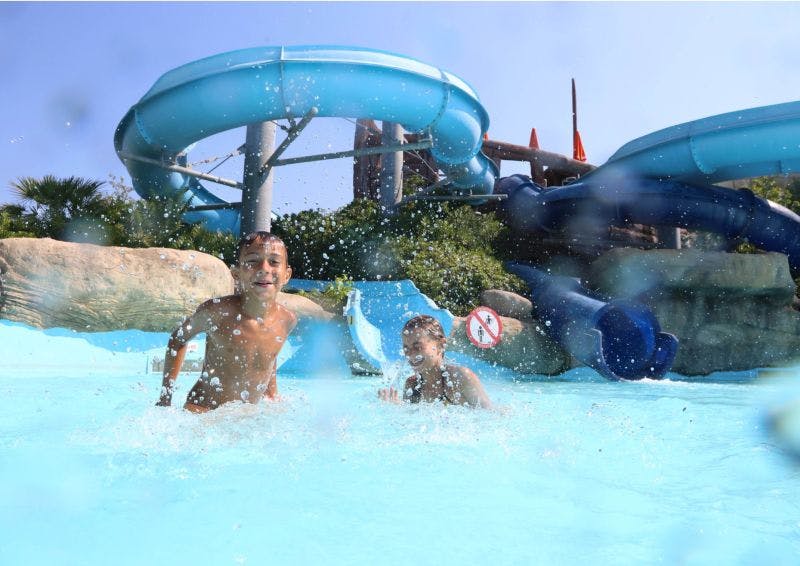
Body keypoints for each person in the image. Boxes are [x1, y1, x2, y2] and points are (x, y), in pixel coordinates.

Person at [156, 231, 297, 412]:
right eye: (253, 261)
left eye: (274, 262)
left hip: (244, 414)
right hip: (203, 409)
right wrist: (165, 397)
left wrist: (272, 394)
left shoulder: (287, 320)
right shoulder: (217, 312)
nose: (264, 268)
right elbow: (178, 338)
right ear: (236, 273)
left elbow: (269, 356)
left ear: (287, 274)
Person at [378, 315, 492, 409]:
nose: (411, 354)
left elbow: (489, 415)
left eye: (417, 347)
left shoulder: (460, 378)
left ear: (441, 345)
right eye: (406, 348)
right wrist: (396, 409)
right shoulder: (412, 385)